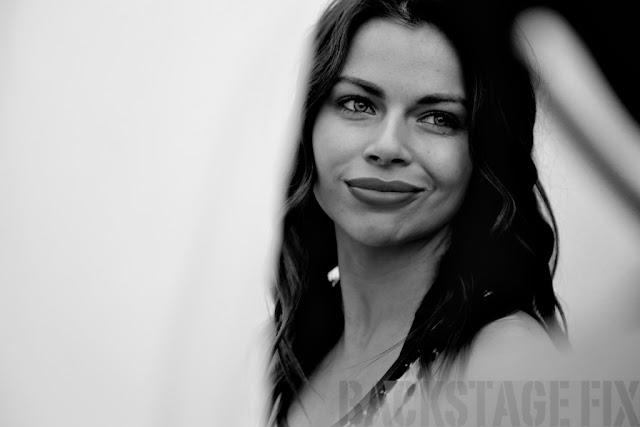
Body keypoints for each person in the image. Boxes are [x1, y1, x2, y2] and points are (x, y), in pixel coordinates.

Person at [269, 0, 567, 425]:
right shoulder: (280, 350)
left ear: (485, 156)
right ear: (307, 124)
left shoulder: (506, 361)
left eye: (438, 118)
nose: (387, 146)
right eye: (357, 103)